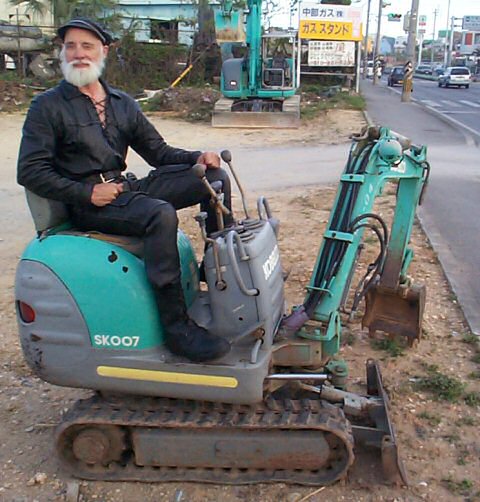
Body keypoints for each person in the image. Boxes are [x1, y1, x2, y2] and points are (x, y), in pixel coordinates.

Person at [17, 18, 232, 363]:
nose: (78, 54)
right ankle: (178, 330)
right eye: (70, 46)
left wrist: (197, 157)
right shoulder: (47, 106)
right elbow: (30, 171)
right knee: (159, 214)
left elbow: (159, 153)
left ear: (104, 51)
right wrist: (86, 194)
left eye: (87, 46)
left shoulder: (122, 102)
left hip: (123, 189)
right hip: (88, 203)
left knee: (215, 178)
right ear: (62, 52)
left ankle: (221, 271)